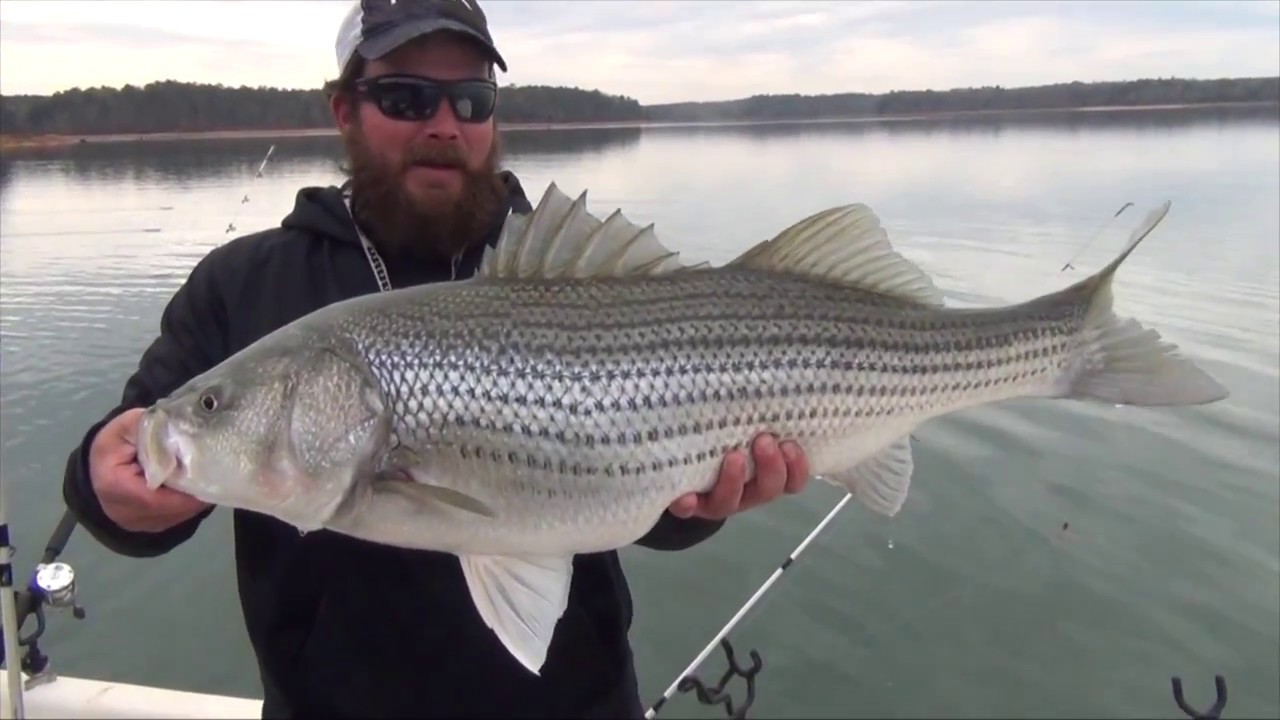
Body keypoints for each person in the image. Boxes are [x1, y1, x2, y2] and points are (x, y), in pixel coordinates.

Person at [61, 0, 811, 717]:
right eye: (407, 97)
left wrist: (704, 503)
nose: (446, 126)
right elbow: (135, 459)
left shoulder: (580, 277)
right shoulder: (243, 286)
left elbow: (644, 504)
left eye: (472, 100)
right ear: (345, 109)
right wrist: (104, 486)